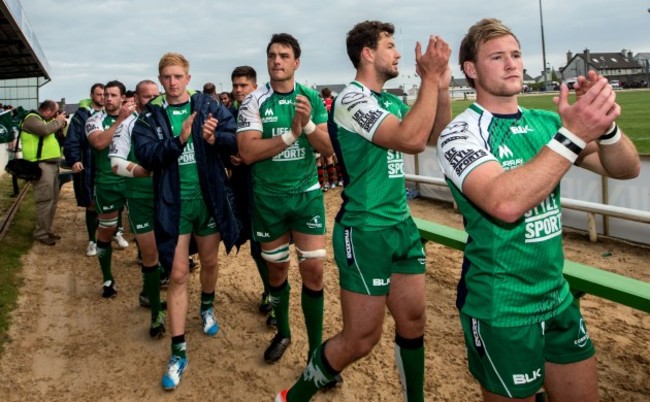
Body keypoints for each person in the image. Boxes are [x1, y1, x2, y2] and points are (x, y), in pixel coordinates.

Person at [436, 18, 640, 401]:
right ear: (471, 70)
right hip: (502, 308)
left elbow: (625, 168)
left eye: (515, 54)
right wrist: (575, 133)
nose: (513, 64)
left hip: (557, 297)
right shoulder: (460, 133)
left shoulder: (546, 123)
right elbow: (505, 202)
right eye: (497, 57)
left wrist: (607, 127)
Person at [276, 21, 451, 402]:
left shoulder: (389, 101)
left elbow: (436, 134)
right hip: (365, 229)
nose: (399, 53)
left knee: (413, 320)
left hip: (400, 224)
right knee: (361, 339)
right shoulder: (351, 100)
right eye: (391, 46)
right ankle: (293, 397)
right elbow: (411, 140)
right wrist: (429, 80)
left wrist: (442, 86)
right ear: (368, 53)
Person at [133, 52, 241, 391]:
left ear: (188, 78)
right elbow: (147, 156)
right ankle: (178, 351)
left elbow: (235, 135)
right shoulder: (150, 116)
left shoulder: (208, 105)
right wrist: (179, 140)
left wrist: (214, 138)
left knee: (209, 261)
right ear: (161, 80)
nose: (172, 82)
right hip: (173, 204)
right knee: (178, 273)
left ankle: (207, 307)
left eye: (178, 76)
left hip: (207, 200)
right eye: (166, 77)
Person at [236, 33, 333, 367]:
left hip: (306, 196)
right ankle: (284, 332)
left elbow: (328, 148)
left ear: (296, 63)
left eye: (284, 55)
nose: (276, 61)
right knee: (277, 274)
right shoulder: (253, 101)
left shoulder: (310, 98)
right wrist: (290, 134)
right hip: (268, 201)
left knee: (315, 271)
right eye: (272, 55)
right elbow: (247, 152)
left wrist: (306, 127)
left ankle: (315, 353)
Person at [108, 79, 166, 339]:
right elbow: (115, 164)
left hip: (169, 196)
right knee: (150, 255)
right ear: (136, 98)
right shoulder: (129, 125)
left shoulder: (168, 121)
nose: (152, 100)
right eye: (146, 96)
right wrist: (140, 171)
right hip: (140, 197)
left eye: (156, 95)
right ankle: (156, 314)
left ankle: (148, 293)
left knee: (172, 254)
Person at [227, 65, 276, 324]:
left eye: (243, 85)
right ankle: (269, 290)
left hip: (268, 186)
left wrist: (250, 154)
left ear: (254, 86)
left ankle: (277, 298)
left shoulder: (267, 110)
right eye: (235, 85)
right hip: (244, 186)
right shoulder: (229, 113)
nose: (238, 90)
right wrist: (231, 159)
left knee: (272, 247)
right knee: (256, 248)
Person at [85, 80, 133, 298]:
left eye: (113, 95)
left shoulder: (136, 119)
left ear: (122, 97)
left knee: (145, 232)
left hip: (133, 181)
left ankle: (151, 277)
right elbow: (99, 144)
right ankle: (107, 279)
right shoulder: (94, 120)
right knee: (105, 230)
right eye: (106, 95)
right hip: (107, 183)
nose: (108, 98)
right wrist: (120, 121)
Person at [20, 100, 69, 245]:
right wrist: (59, 121)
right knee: (45, 200)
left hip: (50, 165)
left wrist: (60, 124)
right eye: (55, 112)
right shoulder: (31, 119)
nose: (56, 116)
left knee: (52, 200)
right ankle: (40, 233)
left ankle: (46, 230)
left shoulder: (42, 120)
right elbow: (44, 130)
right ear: (47, 110)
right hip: (41, 166)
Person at [64, 83, 104, 256]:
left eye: (105, 94)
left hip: (109, 165)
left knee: (115, 202)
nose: (103, 97)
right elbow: (71, 139)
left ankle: (115, 233)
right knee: (91, 204)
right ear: (92, 95)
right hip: (88, 164)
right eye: (99, 94)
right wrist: (74, 160)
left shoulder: (113, 114)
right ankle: (92, 241)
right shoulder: (81, 116)